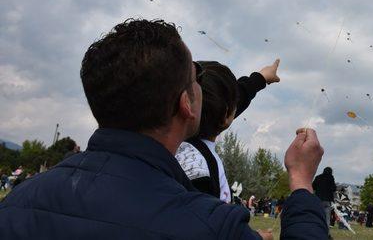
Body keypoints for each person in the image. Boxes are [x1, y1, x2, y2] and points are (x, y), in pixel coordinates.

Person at [0, 19, 327, 239]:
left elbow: (224, 104)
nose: (202, 85)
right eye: (195, 77)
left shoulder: (18, 204)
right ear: (187, 104)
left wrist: (259, 79)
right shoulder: (211, 225)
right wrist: (300, 182)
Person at [175, 59, 280, 202]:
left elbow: (236, 98)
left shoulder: (173, 142)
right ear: (225, 115)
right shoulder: (200, 172)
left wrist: (260, 78)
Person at [312, 167, 337, 238]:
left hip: (318, 200)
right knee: (327, 218)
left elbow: (313, 187)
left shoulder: (318, 177)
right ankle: (326, 234)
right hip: (327, 200)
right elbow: (334, 188)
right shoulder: (331, 178)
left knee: (317, 216)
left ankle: (315, 231)